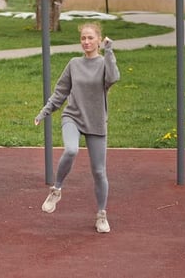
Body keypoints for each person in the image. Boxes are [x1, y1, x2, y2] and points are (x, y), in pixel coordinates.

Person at [35, 22, 120, 233]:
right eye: (83, 38)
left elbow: (113, 78)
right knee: (71, 149)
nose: (86, 42)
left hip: (96, 121)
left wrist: (109, 52)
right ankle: (56, 190)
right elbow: (60, 92)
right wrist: (45, 111)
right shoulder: (74, 64)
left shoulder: (104, 63)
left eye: (90, 38)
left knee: (99, 172)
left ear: (99, 40)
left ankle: (101, 215)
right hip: (72, 116)